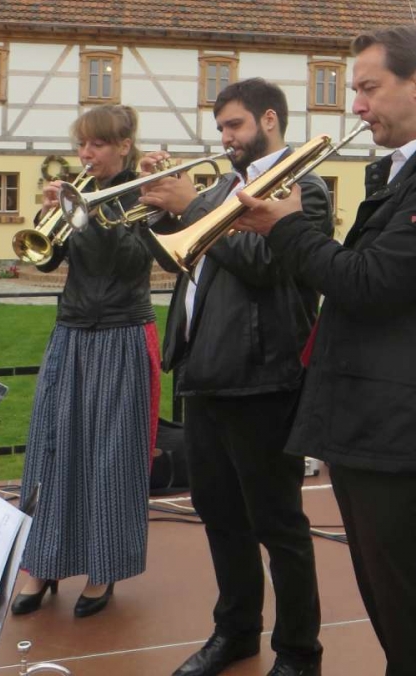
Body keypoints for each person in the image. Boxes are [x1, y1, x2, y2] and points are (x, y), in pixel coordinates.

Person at [233, 25, 416, 676]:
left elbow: (369, 284)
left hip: (402, 436)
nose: (357, 105)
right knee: (395, 621)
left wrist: (287, 227)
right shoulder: (409, 173)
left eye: (369, 88)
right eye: (356, 90)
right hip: (373, 426)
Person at [137, 78, 330, 676]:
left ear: (269, 120)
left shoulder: (304, 188)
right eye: (221, 127)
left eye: (235, 125)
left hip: (262, 377)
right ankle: (236, 631)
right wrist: (158, 208)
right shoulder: (223, 188)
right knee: (219, 514)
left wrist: (193, 208)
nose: (225, 138)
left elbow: (265, 263)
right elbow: (180, 254)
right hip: (204, 372)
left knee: (278, 523)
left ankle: (298, 653)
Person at [12, 105, 161, 620]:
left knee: (111, 458)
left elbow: (136, 261)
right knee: (51, 450)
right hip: (73, 331)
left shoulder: (143, 194)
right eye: (82, 144)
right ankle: (43, 563)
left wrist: (88, 215)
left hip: (122, 332)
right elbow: (45, 259)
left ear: (123, 146)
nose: (85, 153)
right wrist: (49, 217)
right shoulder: (77, 190)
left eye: (96, 144)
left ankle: (103, 570)